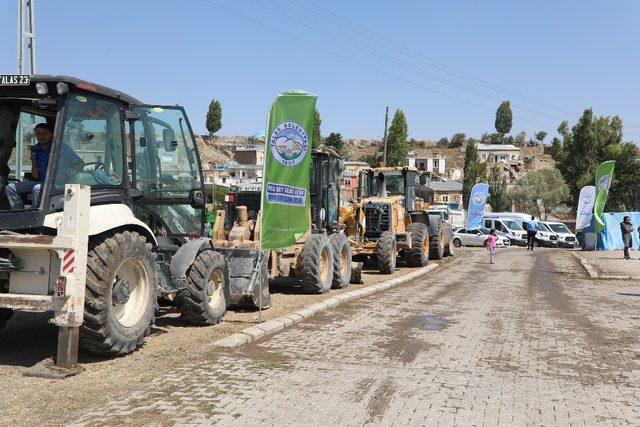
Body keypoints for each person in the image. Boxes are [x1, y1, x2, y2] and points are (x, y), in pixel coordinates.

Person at [5, 123, 53, 209]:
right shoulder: (35, 149)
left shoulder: (59, 148)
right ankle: (18, 214)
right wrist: (34, 167)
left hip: (54, 184)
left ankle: (35, 214)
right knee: (10, 188)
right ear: (35, 135)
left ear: (51, 134)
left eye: (44, 133)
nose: (41, 136)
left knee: (37, 188)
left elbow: (79, 164)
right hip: (39, 181)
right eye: (38, 133)